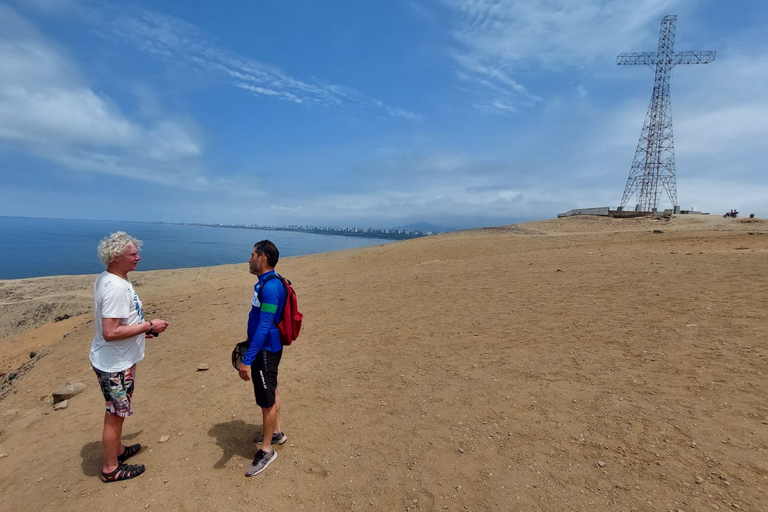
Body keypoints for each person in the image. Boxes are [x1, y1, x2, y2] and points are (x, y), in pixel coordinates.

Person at [90, 231, 169, 483]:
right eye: (132, 254)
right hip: (115, 364)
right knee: (114, 414)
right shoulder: (115, 287)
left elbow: (119, 324)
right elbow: (111, 331)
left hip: (117, 359)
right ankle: (111, 468)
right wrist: (148, 326)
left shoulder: (111, 278)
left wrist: (138, 332)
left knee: (119, 412)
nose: (138, 258)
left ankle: (119, 451)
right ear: (116, 257)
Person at [237, 240, 286, 477]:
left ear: (263, 257)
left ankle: (267, 451)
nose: (249, 259)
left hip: (265, 351)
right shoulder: (264, 282)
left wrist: (248, 359)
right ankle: (276, 433)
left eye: (252, 255)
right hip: (265, 349)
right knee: (272, 390)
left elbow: (265, 325)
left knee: (266, 401)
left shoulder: (270, 287)